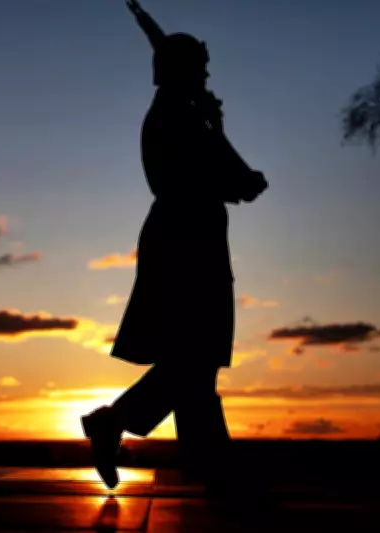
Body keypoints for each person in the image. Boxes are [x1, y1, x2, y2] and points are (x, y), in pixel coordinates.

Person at [81, 0, 269, 490]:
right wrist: (221, 135)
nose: (207, 75)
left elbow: (227, 178)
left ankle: (206, 464)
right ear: (182, 71)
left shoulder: (178, 113)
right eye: (200, 68)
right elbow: (234, 181)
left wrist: (216, 134)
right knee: (195, 358)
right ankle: (200, 462)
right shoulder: (179, 118)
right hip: (187, 242)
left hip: (185, 236)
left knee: (194, 363)